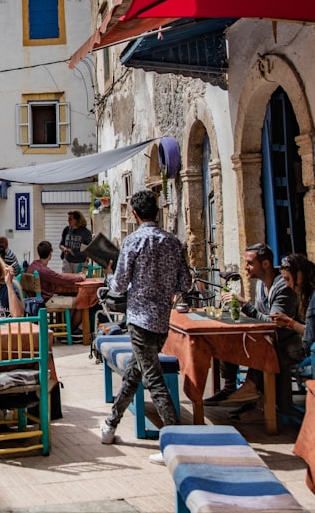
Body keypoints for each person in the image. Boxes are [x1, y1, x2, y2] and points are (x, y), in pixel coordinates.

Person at [99, 190, 191, 463]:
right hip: (162, 320)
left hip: (139, 319)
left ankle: (176, 442)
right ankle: (111, 423)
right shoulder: (173, 242)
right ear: (158, 211)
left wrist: (110, 274)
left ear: (136, 214)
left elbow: (118, 284)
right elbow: (184, 283)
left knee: (152, 379)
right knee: (137, 371)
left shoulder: (133, 241)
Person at [205, 243, 301, 412]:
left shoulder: (282, 287)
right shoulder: (260, 284)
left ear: (265, 264)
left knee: (256, 346)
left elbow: (274, 324)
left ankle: (253, 392)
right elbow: (260, 318)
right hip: (267, 337)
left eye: (250, 263)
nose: (246, 267)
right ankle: (230, 389)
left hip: (287, 342)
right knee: (227, 338)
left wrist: (245, 305)